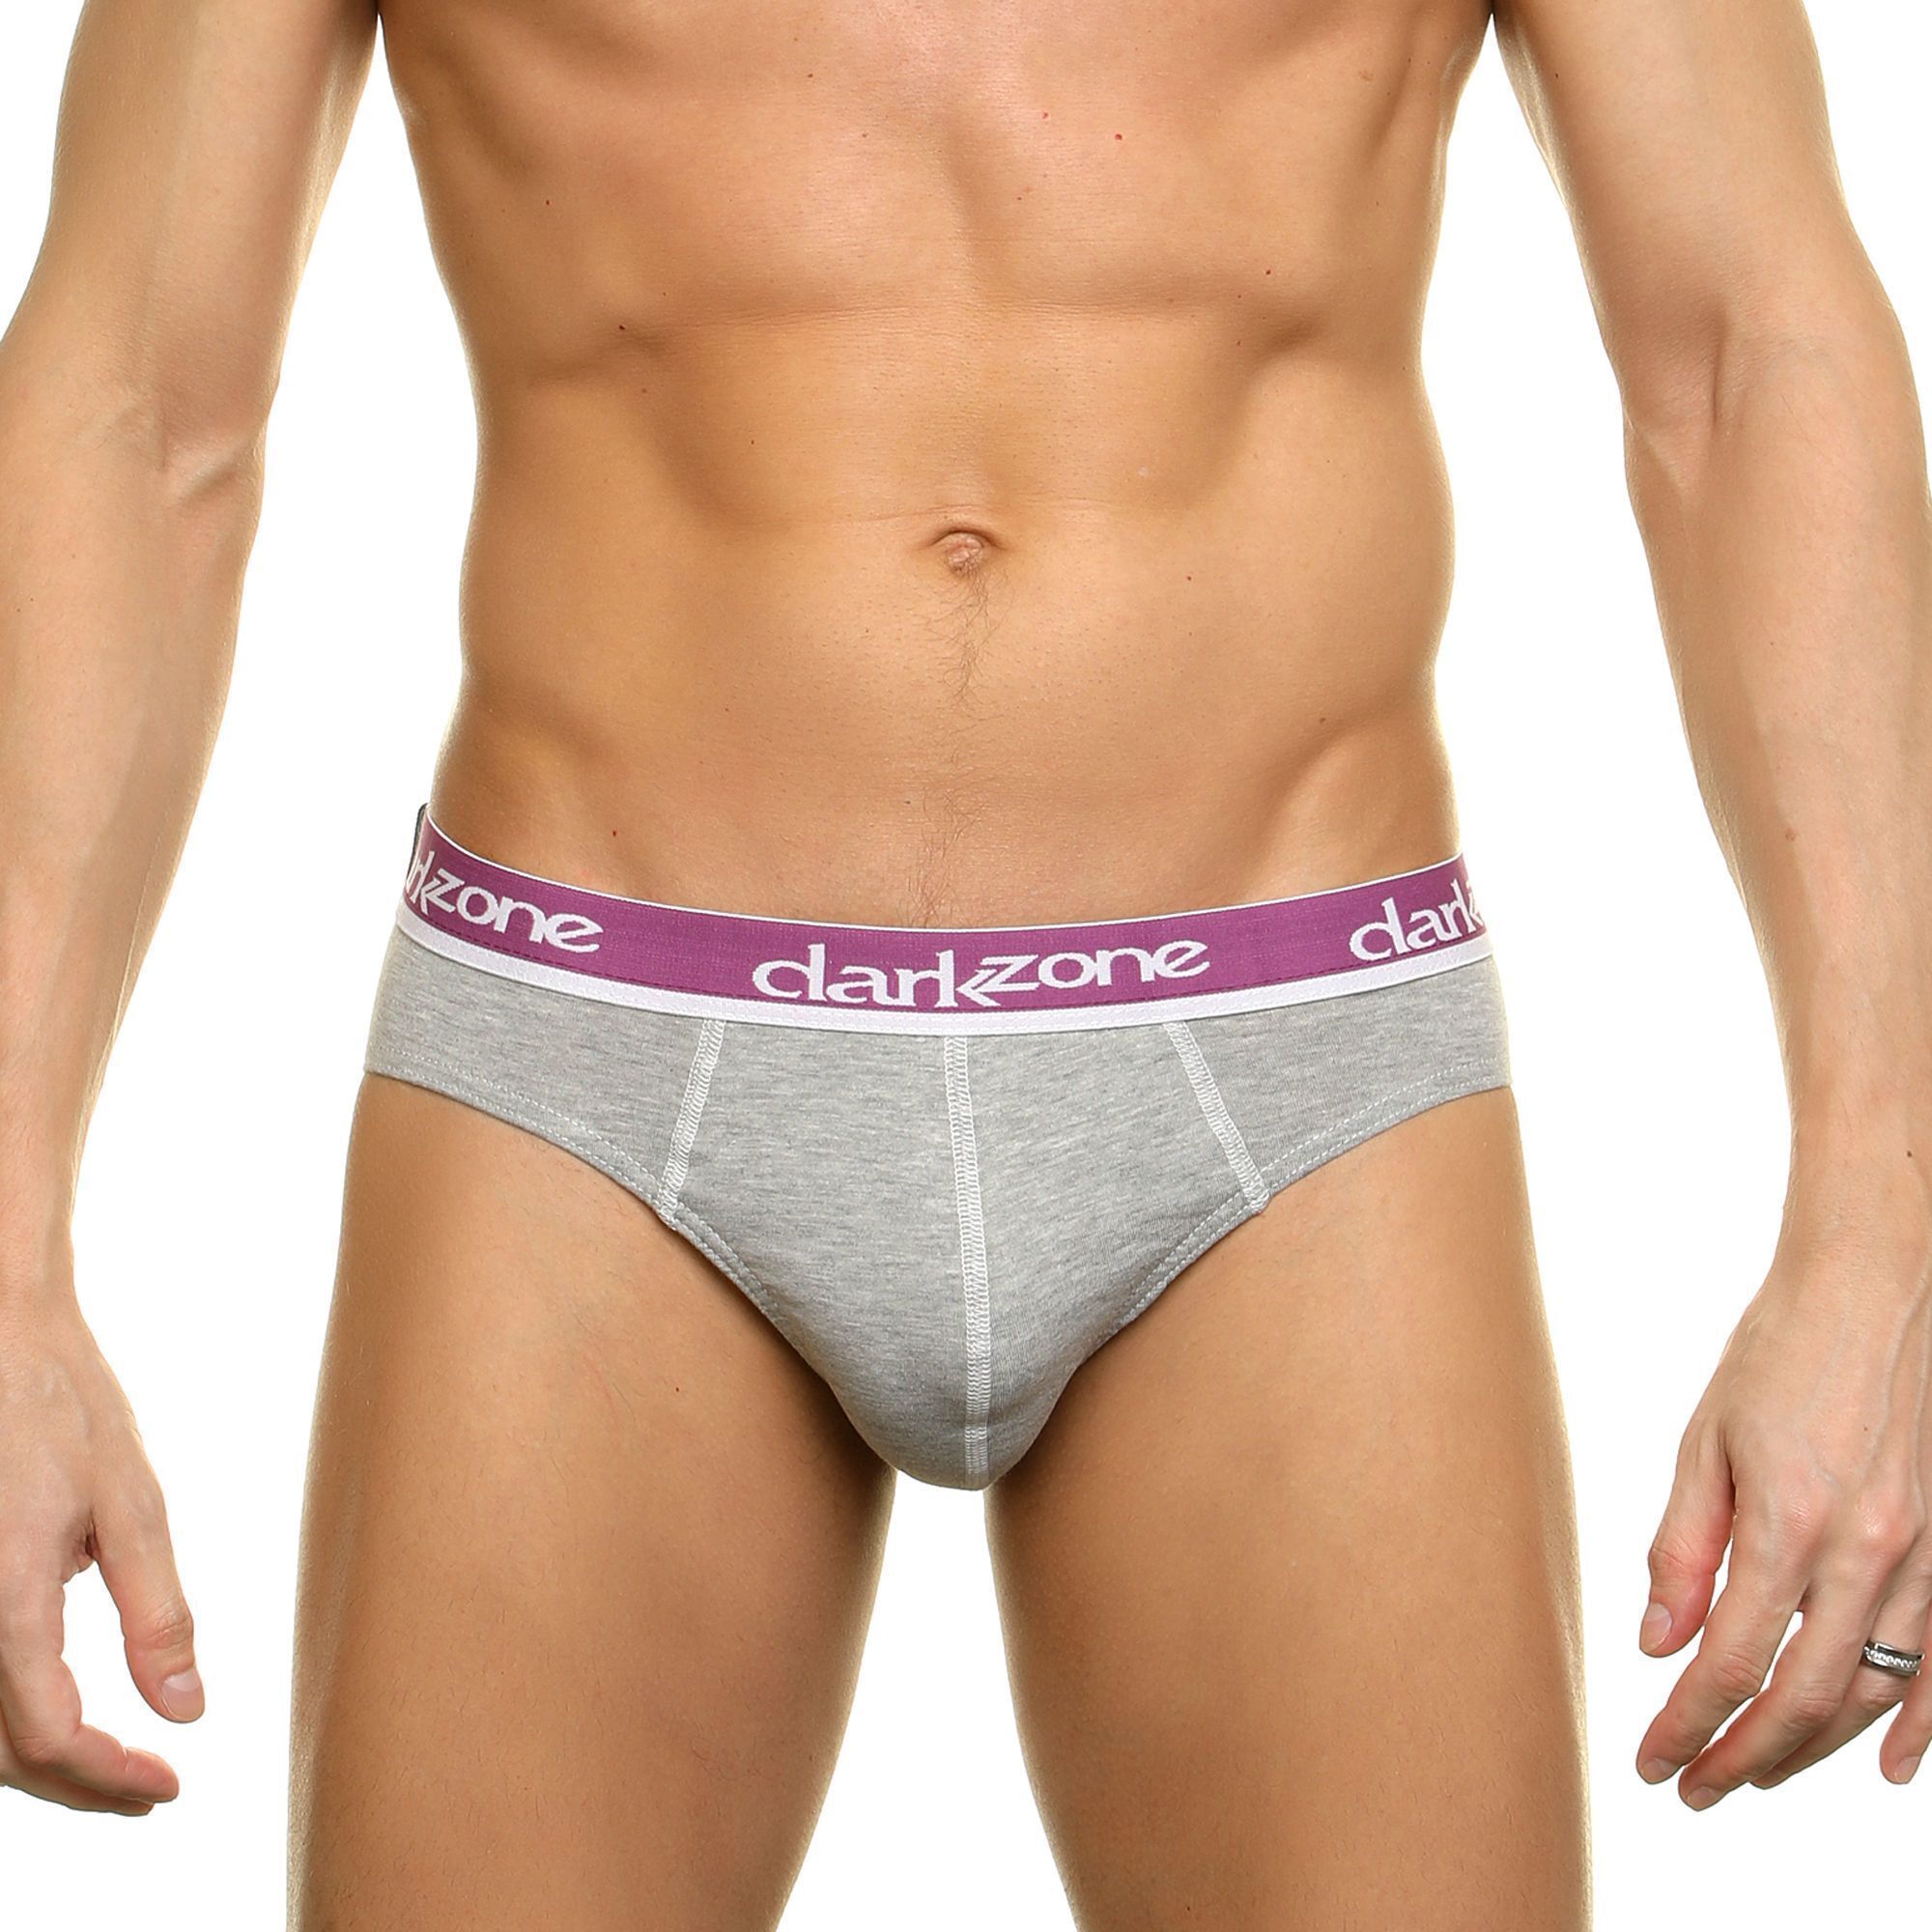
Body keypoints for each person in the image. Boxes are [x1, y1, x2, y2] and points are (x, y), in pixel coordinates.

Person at [2, 0, 1928, 1922]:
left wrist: (1888, 1227)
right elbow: (136, 408)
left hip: (1290, 1047)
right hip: (597, 1041)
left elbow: (1744, 354)